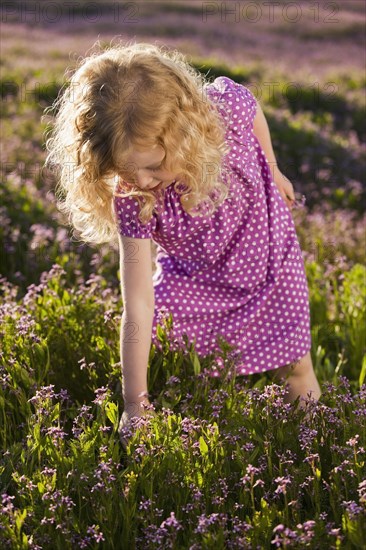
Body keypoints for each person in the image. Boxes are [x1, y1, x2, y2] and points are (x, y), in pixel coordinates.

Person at [44, 40, 321, 449]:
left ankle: (318, 450)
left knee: (296, 368)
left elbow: (254, 109)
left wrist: (273, 168)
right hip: (197, 279)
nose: (141, 181)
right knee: (171, 349)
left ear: (184, 132)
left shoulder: (225, 112)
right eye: (125, 169)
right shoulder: (135, 199)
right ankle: (203, 440)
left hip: (269, 263)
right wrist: (133, 403)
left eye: (154, 166)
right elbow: (136, 301)